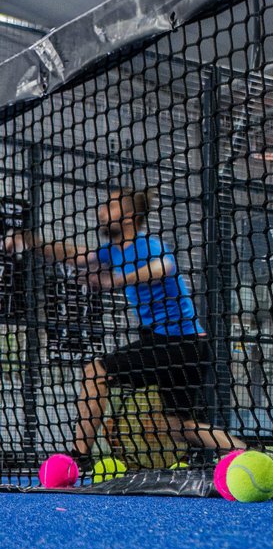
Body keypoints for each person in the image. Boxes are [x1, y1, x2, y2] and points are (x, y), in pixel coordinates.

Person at [3, 186, 245, 469]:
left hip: (177, 342)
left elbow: (164, 267)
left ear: (130, 217)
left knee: (96, 372)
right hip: (186, 345)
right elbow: (75, 255)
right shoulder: (112, 251)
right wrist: (30, 241)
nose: (101, 212)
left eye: (111, 207)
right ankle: (246, 453)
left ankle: (78, 460)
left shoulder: (145, 245)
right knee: (176, 425)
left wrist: (111, 282)